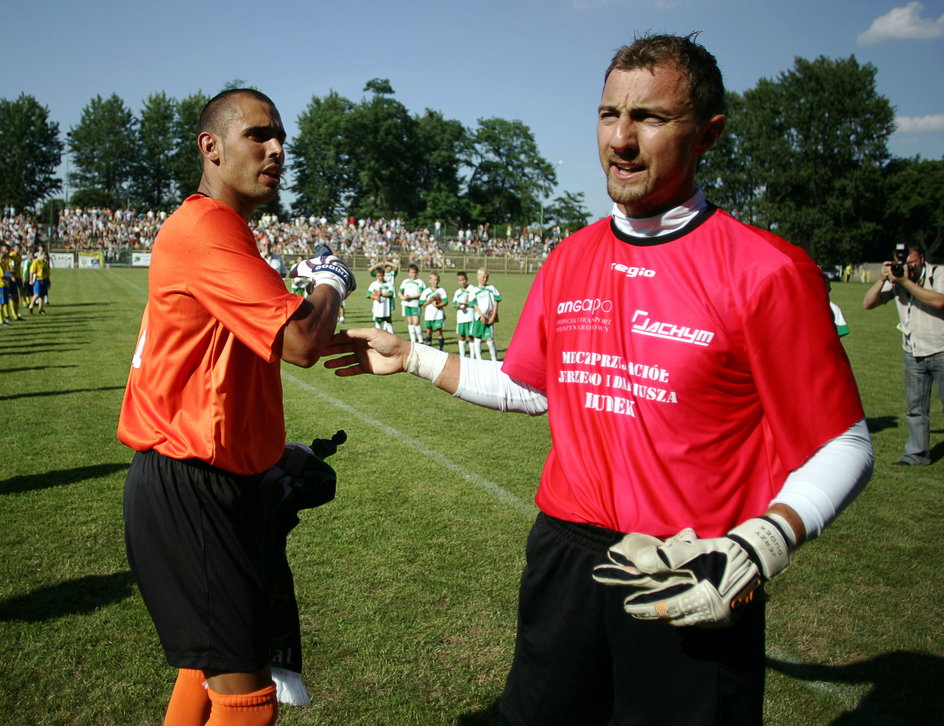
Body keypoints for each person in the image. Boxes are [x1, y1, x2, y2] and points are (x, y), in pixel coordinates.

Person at [322, 34, 873, 726]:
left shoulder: (767, 271)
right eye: (610, 114)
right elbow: (534, 388)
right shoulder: (570, 258)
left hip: (688, 564)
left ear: (708, 134)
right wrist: (414, 357)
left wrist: (761, 544)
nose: (622, 139)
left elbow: (845, 444)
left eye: (649, 117)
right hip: (565, 556)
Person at [117, 88, 355, 726]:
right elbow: (302, 341)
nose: (277, 149)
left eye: (281, 138)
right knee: (247, 696)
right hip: (190, 482)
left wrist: (271, 455)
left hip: (205, 473)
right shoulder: (208, 228)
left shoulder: (221, 232)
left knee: (212, 662)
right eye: (259, 135)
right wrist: (332, 280)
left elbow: (218, 371)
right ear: (211, 147)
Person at [863, 243, 944, 466]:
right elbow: (867, 303)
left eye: (912, 263)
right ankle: (917, 454)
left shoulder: (939, 273)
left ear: (922, 259)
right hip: (913, 352)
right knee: (915, 410)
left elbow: (939, 301)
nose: (908, 267)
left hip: (941, 349)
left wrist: (905, 282)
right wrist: (882, 279)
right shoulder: (897, 280)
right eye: (902, 264)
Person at [468, 267, 501, 360]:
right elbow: (474, 304)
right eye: (482, 277)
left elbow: (496, 301)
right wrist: (481, 315)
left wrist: (494, 315)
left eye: (486, 277)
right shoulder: (474, 290)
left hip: (489, 317)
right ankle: (479, 360)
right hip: (479, 318)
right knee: (477, 338)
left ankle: (495, 360)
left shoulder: (491, 288)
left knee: (490, 340)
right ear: (477, 277)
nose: (484, 279)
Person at [398, 263, 425, 344]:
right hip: (406, 304)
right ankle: (413, 340)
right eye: (412, 272)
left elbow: (421, 293)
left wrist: (411, 297)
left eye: (415, 272)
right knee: (410, 322)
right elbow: (400, 292)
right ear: (408, 273)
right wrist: (403, 297)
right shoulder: (405, 281)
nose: (413, 274)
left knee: (416, 322)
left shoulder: (419, 282)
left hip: (415, 304)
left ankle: (420, 340)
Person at [420, 272, 448, 350]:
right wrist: (430, 301)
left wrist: (438, 305)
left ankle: (441, 348)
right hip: (429, 315)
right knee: (428, 331)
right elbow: (422, 304)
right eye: (434, 280)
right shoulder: (426, 291)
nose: (435, 281)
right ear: (430, 280)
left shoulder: (441, 290)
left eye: (437, 280)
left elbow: (445, 302)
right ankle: (429, 348)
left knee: (438, 331)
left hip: (438, 314)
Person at [452, 271, 475, 357]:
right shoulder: (457, 292)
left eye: (464, 279)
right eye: (461, 280)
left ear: (467, 279)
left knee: (471, 336)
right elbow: (454, 304)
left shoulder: (472, 289)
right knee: (462, 336)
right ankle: (462, 356)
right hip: (461, 318)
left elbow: (474, 302)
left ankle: (473, 356)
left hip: (470, 317)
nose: (463, 282)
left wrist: (465, 303)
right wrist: (457, 305)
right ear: (458, 281)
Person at [367, 266, 395, 334]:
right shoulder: (374, 284)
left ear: (384, 275)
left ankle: (392, 336)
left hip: (386, 306)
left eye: (382, 275)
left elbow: (391, 293)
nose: (380, 277)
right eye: (378, 276)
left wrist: (381, 294)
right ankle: (378, 335)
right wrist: (375, 297)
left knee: (388, 322)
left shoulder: (388, 284)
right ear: (376, 276)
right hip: (377, 307)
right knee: (378, 322)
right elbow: (368, 294)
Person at [28, 244, 50, 314]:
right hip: (38, 279)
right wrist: (31, 280)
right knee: (37, 294)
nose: (45, 257)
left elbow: (47, 273)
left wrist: (49, 281)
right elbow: (32, 271)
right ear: (41, 255)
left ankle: (40, 308)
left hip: (44, 280)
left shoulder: (45, 263)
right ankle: (31, 305)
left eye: (46, 255)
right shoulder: (36, 261)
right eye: (44, 255)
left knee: (42, 295)